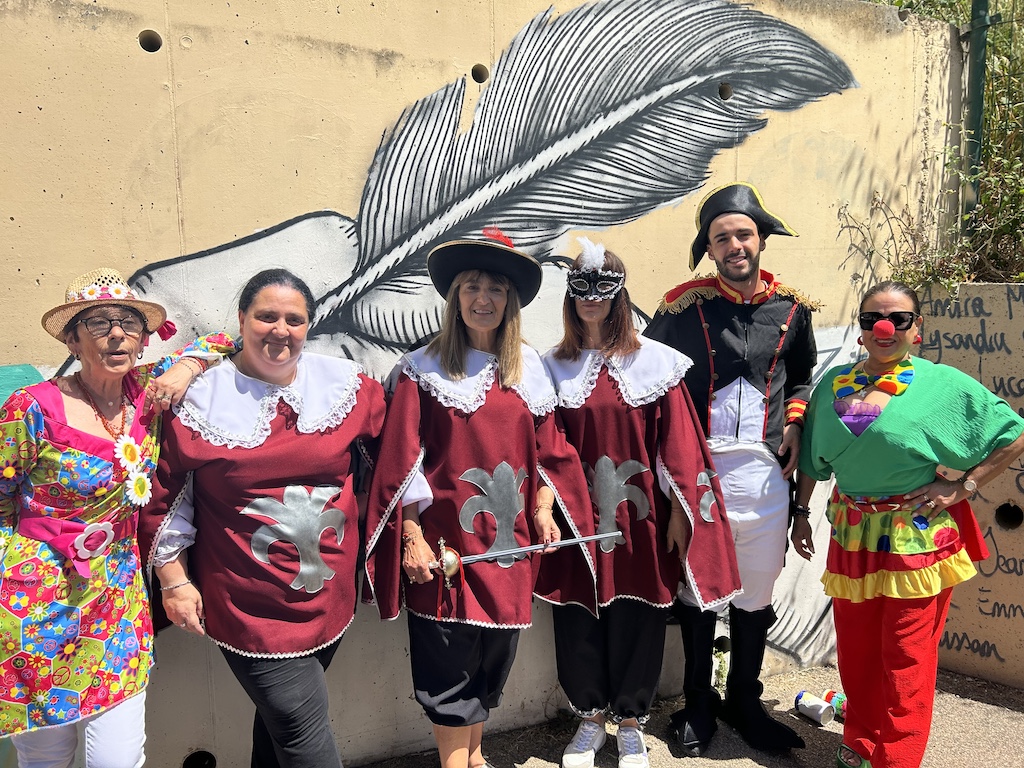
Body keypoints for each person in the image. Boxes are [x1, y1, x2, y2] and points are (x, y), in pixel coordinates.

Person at [364, 231, 596, 768]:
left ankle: (473, 756)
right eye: (472, 286)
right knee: (449, 667)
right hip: (446, 547)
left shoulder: (528, 369)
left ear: (510, 300)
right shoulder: (423, 370)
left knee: (493, 658)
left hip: (508, 545)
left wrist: (543, 508)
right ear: (455, 297)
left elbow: (548, 449)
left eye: (495, 287)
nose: (483, 298)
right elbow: (401, 461)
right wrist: (413, 538)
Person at [141, 269, 386, 768]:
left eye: (294, 320)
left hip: (328, 597)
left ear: (309, 326)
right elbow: (163, 497)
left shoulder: (344, 386)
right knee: (302, 732)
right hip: (246, 603)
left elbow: (397, 454)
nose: (281, 330)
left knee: (279, 731)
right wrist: (173, 581)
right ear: (241, 320)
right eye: (266, 316)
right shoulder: (199, 398)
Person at [0, 267, 233, 767]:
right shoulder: (32, 407)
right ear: (72, 338)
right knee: (46, 752)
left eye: (129, 322)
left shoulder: (148, 392)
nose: (117, 334)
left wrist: (187, 366)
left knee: (118, 756)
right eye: (100, 322)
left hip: (117, 596)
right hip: (36, 600)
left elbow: (223, 340)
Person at [793, 280, 1024, 768]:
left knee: (906, 659)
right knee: (857, 653)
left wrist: (964, 486)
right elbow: (814, 461)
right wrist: (800, 515)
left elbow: (1013, 434)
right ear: (860, 330)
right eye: (874, 318)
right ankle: (858, 741)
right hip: (852, 534)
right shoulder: (833, 384)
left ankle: (896, 760)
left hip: (914, 537)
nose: (886, 327)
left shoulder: (941, 384)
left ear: (916, 329)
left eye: (899, 319)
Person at [542, 239, 742, 768]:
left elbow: (679, 443)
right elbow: (538, 443)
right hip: (575, 516)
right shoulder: (549, 367)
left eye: (602, 288)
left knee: (640, 613)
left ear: (619, 295)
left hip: (640, 515)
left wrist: (680, 512)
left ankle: (630, 721)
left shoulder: (654, 363)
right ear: (569, 296)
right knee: (579, 613)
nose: (591, 297)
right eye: (580, 287)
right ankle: (589, 721)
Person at [643, 182, 816, 755]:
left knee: (755, 595)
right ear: (709, 248)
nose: (735, 245)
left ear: (761, 238)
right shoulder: (681, 306)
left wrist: (794, 420)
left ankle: (744, 699)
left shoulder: (794, 310)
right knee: (699, 595)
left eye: (743, 234)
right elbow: (646, 376)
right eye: (722, 238)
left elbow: (801, 375)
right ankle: (697, 704)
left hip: (767, 478)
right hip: (698, 478)